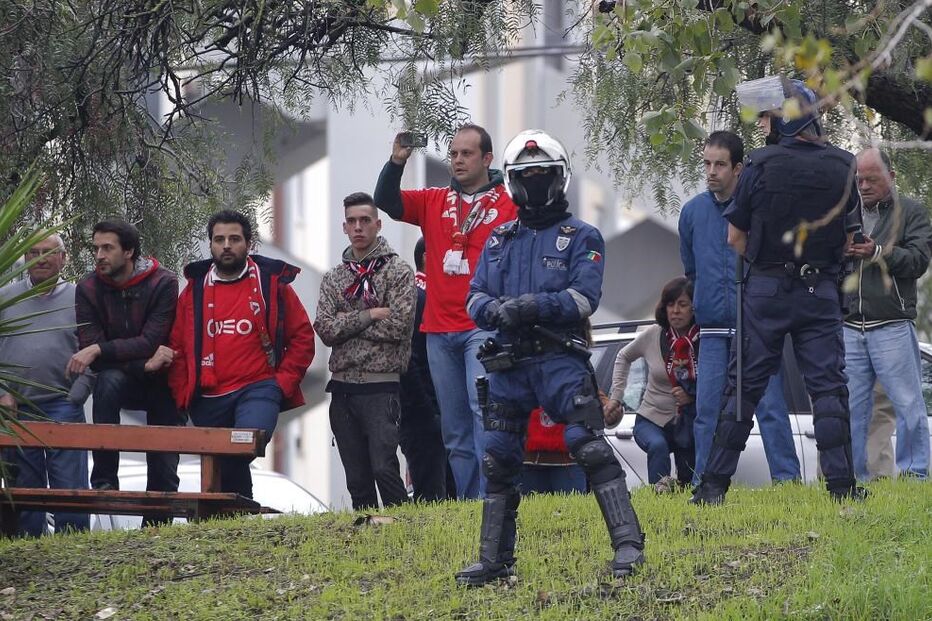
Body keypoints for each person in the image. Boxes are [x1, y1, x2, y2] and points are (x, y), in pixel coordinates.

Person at [456, 129, 644, 586]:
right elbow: (474, 295)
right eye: (526, 174)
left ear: (560, 178)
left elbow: (584, 298)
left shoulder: (582, 236)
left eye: (543, 173)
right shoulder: (499, 240)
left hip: (559, 359)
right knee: (497, 458)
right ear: (512, 181)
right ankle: (494, 559)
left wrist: (531, 307)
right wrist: (494, 311)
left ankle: (629, 545)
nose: (535, 180)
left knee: (588, 446)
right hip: (509, 363)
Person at [691, 79, 866, 504]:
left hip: (766, 291)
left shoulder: (759, 163)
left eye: (767, 116)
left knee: (743, 389)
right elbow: (850, 240)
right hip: (820, 291)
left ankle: (712, 489)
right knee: (828, 388)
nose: (763, 124)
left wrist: (765, 264)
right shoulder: (845, 165)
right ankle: (842, 488)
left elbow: (735, 238)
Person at [373, 124, 518, 499]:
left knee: (482, 414)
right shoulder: (434, 200)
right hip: (438, 330)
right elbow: (386, 200)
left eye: (466, 153)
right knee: (454, 427)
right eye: (453, 154)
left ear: (487, 158)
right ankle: (470, 503)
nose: (457, 160)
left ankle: (492, 500)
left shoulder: (508, 202)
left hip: (482, 326)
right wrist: (396, 162)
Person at [162, 210, 315, 499]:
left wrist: (281, 384)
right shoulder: (194, 290)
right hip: (207, 395)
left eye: (234, 239)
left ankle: (232, 510)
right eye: (219, 239)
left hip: (259, 388)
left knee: (243, 445)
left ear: (249, 243)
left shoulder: (271, 284)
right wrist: (183, 393)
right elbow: (177, 345)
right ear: (210, 244)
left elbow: (302, 337)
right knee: (221, 463)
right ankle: (236, 513)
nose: (226, 246)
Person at [678, 130, 801, 486]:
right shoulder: (692, 212)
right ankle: (704, 484)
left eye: (719, 164)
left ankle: (788, 482)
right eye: (706, 163)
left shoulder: (760, 210)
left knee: (771, 409)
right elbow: (691, 271)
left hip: (756, 329)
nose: (711, 171)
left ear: (738, 168)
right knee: (707, 412)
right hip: (713, 331)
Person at [70, 219, 182, 526]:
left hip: (163, 379)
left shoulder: (163, 282)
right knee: (107, 382)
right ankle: (105, 481)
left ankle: (156, 533)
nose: (99, 255)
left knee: (163, 469)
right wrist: (139, 363)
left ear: (129, 251)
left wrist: (100, 350)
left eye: (107, 248)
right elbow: (93, 352)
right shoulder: (88, 288)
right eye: (96, 248)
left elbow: (152, 340)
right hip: (123, 375)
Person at [315, 192, 416, 510]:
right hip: (342, 386)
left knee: (383, 467)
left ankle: (403, 529)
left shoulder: (398, 271)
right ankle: (368, 533)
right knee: (356, 479)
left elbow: (398, 327)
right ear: (344, 227)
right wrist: (370, 314)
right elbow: (326, 330)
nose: (358, 227)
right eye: (352, 221)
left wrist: (345, 322)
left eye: (365, 220)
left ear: (378, 224)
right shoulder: (334, 277)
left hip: (381, 385)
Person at [844, 148, 930, 480]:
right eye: (859, 180)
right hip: (849, 324)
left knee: (908, 404)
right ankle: (852, 480)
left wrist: (878, 252)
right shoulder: (845, 214)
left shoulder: (911, 212)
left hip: (891, 324)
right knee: (851, 408)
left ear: (891, 178)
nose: (864, 186)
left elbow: (918, 261)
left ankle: (915, 477)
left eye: (871, 179)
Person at [0, 235, 93, 536]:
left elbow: (95, 349)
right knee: (25, 488)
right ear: (24, 259)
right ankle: (30, 547)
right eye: (33, 252)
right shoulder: (5, 298)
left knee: (70, 487)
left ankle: (73, 548)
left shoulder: (81, 298)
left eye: (49, 252)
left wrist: (76, 396)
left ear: (63, 258)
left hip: (63, 403)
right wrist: (2, 393)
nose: (41, 258)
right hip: (16, 407)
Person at [606, 277, 698, 490]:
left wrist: (693, 396)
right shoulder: (654, 334)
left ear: (694, 308)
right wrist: (616, 397)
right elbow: (623, 356)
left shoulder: (704, 339)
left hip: (689, 421)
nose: (675, 311)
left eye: (682, 304)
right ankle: (659, 498)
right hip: (651, 419)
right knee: (657, 446)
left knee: (688, 479)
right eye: (670, 305)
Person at [399, 237, 449, 501]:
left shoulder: (433, 296)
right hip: (423, 412)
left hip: (434, 410)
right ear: (427, 258)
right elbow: (409, 358)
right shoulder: (418, 297)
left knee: (448, 492)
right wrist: (428, 410)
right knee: (433, 494)